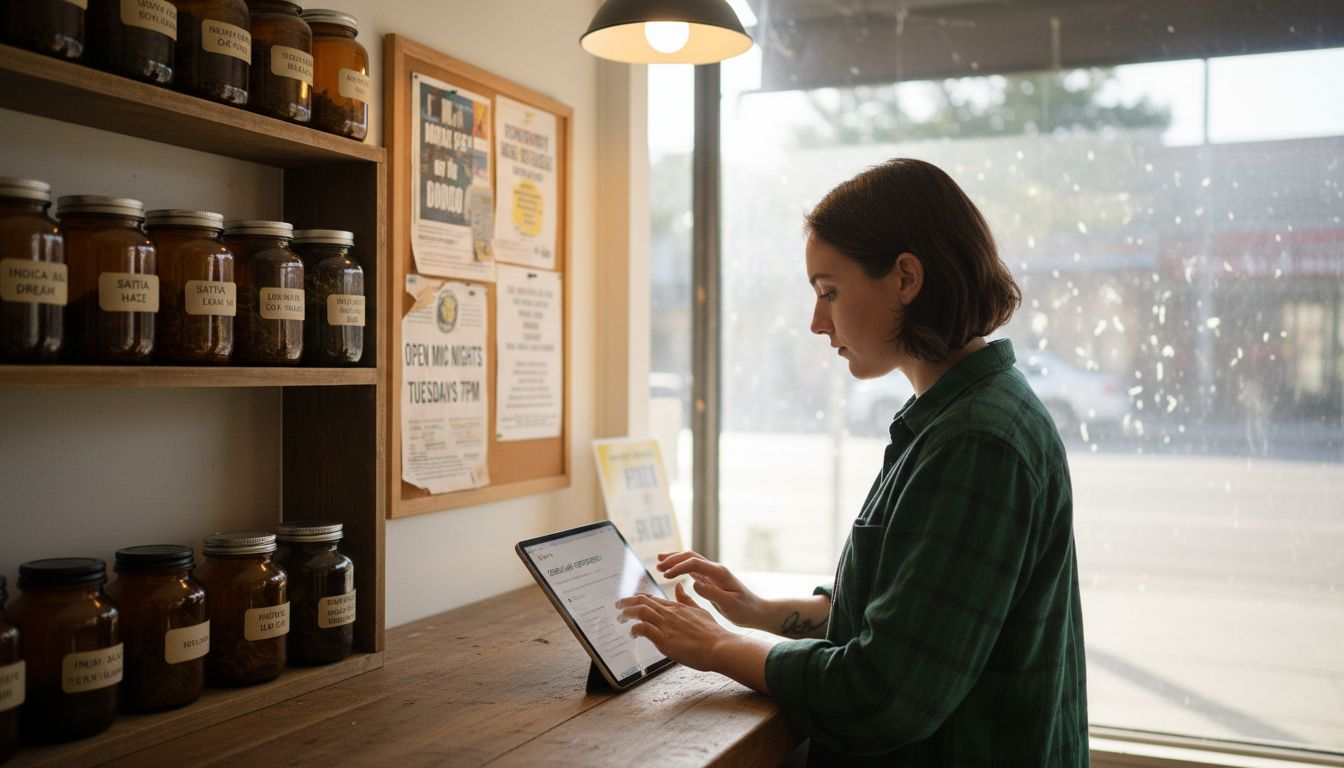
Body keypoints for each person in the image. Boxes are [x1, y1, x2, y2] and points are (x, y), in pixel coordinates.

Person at [616, 158, 1088, 766]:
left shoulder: (976, 440)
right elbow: (903, 616)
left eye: (829, 292)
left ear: (906, 278)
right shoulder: (956, 416)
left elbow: (882, 694)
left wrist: (720, 646)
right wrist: (760, 611)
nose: (818, 322)